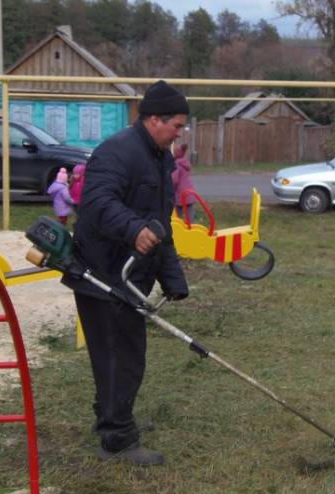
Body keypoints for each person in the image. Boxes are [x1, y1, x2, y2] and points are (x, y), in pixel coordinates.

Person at [61, 80, 190, 466]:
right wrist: (134, 229)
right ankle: (117, 440)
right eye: (177, 125)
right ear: (154, 119)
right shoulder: (117, 152)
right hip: (102, 276)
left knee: (120, 356)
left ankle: (112, 416)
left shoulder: (157, 156)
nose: (180, 133)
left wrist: (173, 278)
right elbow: (97, 204)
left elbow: (160, 222)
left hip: (129, 277)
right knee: (122, 358)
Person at [171, 143, 195, 221]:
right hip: (189, 193)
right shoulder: (185, 162)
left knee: (178, 215)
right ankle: (192, 228)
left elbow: (175, 180)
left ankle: (179, 228)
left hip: (180, 194)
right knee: (190, 215)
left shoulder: (177, 164)